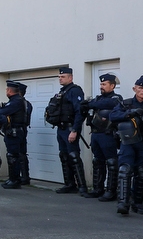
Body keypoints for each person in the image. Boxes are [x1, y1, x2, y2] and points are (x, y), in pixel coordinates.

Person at [110, 76, 143, 215]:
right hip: (128, 141)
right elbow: (113, 117)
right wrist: (130, 114)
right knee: (124, 170)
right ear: (135, 89)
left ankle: (137, 203)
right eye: (140, 88)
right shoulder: (125, 103)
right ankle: (123, 203)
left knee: (141, 173)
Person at [78, 73, 123, 201]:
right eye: (101, 84)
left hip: (108, 135)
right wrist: (84, 105)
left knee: (112, 162)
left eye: (104, 84)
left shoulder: (116, 98)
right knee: (97, 161)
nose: (101, 86)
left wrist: (91, 104)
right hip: (96, 134)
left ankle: (111, 191)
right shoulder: (97, 99)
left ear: (112, 85)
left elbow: (109, 104)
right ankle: (98, 189)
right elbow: (88, 106)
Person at [46, 67, 88, 195]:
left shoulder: (75, 91)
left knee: (74, 156)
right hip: (61, 128)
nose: (60, 78)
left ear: (70, 77)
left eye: (63, 77)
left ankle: (82, 186)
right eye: (59, 76)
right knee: (64, 156)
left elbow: (79, 112)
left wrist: (75, 130)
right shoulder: (62, 91)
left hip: (70, 128)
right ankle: (69, 184)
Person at [0, 80, 28, 190]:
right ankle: (13, 178)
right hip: (14, 131)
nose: (6, 91)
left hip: (14, 131)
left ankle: (14, 180)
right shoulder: (16, 100)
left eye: (6, 89)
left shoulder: (16, 101)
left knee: (13, 156)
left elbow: (1, 112)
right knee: (12, 155)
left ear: (9, 90)